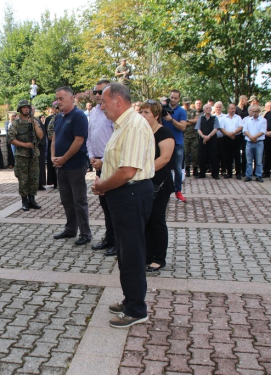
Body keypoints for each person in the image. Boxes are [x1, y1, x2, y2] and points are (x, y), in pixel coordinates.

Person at [92, 83, 155, 328]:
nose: (101, 107)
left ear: (118, 101)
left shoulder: (134, 126)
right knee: (125, 252)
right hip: (123, 195)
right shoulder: (123, 125)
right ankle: (131, 300)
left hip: (130, 193)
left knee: (132, 253)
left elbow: (128, 171)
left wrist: (103, 186)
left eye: (104, 102)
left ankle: (136, 309)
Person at [51, 87, 91, 246]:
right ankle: (70, 228)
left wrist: (64, 158)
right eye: (57, 99)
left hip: (75, 165)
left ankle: (85, 233)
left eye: (61, 98)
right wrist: (53, 157)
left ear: (71, 98)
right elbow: (54, 139)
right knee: (66, 199)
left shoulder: (79, 116)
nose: (58, 102)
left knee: (79, 201)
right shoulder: (59, 117)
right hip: (61, 166)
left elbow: (79, 141)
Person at [139, 100, 174, 272]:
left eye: (146, 112)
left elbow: (165, 158)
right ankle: (147, 254)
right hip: (145, 181)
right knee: (146, 219)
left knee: (157, 220)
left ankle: (159, 258)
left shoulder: (164, 133)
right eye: (141, 112)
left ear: (156, 115)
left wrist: (144, 170)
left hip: (160, 182)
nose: (143, 115)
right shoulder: (141, 132)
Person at [88, 79, 116, 257]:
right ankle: (109, 237)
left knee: (114, 204)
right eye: (95, 92)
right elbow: (89, 136)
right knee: (105, 204)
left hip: (112, 164)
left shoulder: (113, 112)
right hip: (97, 162)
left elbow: (117, 140)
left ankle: (117, 241)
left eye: (101, 92)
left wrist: (104, 160)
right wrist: (91, 155)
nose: (97, 95)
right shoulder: (94, 112)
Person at [8, 100, 44, 210]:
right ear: (20, 110)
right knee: (23, 179)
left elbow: (41, 136)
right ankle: (24, 201)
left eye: (27, 107)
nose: (26, 109)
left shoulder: (34, 122)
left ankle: (32, 200)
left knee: (34, 178)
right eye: (24, 107)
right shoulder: (16, 123)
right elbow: (11, 139)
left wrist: (33, 123)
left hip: (33, 155)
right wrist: (24, 145)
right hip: (21, 155)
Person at [162, 90, 188, 201]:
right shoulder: (163, 109)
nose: (173, 100)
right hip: (164, 142)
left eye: (175, 98)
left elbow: (183, 127)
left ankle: (178, 191)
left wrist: (171, 120)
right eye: (171, 97)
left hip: (177, 143)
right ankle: (163, 190)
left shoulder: (182, 111)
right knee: (163, 167)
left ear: (179, 99)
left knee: (177, 169)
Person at [195, 104, 221, 179]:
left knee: (213, 156)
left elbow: (216, 128)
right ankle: (202, 173)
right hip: (202, 139)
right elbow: (198, 128)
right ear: (204, 109)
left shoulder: (215, 118)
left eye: (210, 108)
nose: (208, 109)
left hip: (212, 139)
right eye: (207, 108)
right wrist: (203, 136)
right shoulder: (201, 118)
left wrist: (208, 136)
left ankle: (215, 173)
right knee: (202, 156)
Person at [243, 105, 267, 182]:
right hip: (249, 142)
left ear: (259, 111)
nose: (254, 113)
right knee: (249, 161)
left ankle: (258, 175)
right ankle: (248, 175)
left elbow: (262, 131)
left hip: (259, 142)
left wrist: (255, 137)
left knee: (259, 161)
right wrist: (251, 137)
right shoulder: (248, 120)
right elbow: (245, 130)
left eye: (256, 111)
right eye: (252, 111)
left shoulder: (263, 120)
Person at [220, 103, 243, 179]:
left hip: (236, 137)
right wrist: (228, 134)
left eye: (234, 109)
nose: (233, 110)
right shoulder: (224, 118)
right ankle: (229, 173)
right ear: (228, 109)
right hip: (226, 138)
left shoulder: (238, 117)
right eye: (232, 108)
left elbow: (240, 127)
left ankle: (238, 173)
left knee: (237, 156)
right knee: (227, 156)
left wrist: (233, 133)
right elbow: (221, 128)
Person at [183, 97, 199, 177]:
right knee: (186, 153)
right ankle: (187, 169)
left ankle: (195, 169)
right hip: (185, 135)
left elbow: (197, 121)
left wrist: (187, 121)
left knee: (195, 153)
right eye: (186, 103)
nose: (187, 105)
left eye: (189, 103)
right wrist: (191, 122)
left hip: (194, 135)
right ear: (183, 103)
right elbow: (182, 123)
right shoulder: (182, 111)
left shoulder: (194, 111)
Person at [46, 103, 58, 189]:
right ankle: (55, 182)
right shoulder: (51, 119)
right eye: (56, 108)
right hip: (54, 144)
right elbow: (49, 135)